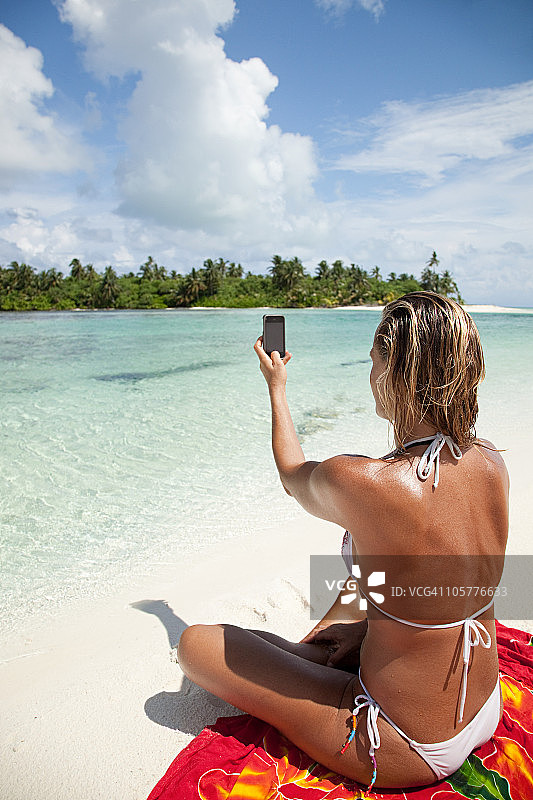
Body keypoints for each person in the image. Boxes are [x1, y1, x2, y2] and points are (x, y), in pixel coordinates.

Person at [177, 291, 508, 790]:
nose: (369, 372)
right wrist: (368, 628)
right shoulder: (490, 461)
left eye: (373, 361)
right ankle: (328, 650)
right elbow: (445, 582)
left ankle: (315, 656)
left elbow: (292, 476)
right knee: (357, 591)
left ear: (395, 374)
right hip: (485, 706)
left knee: (196, 645)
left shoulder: (367, 482)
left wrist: (277, 388)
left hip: (405, 743)